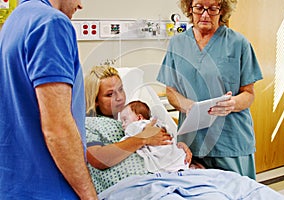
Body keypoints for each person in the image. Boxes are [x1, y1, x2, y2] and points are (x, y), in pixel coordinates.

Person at [0, 0, 97, 199]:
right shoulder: (51, 24)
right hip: (48, 188)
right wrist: (89, 195)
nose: (80, 5)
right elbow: (58, 128)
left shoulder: (13, 22)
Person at [156, 0, 263, 180]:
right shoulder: (177, 44)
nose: (205, 15)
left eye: (213, 8)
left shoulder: (238, 43)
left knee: (236, 192)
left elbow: (249, 94)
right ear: (190, 8)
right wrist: (187, 105)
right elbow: (171, 90)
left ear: (222, 10)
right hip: (192, 143)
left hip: (230, 142)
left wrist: (233, 103)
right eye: (199, 8)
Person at [84, 65, 192, 193]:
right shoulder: (89, 124)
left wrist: (176, 147)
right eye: (110, 94)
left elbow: (158, 142)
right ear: (95, 100)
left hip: (164, 179)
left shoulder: (134, 115)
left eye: (121, 89)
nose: (119, 97)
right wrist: (142, 138)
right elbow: (98, 159)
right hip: (133, 189)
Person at [119, 100, 189, 173]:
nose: (122, 125)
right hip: (171, 151)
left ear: (139, 118)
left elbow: (126, 142)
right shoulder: (157, 123)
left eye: (125, 120)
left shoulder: (136, 125)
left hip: (160, 154)